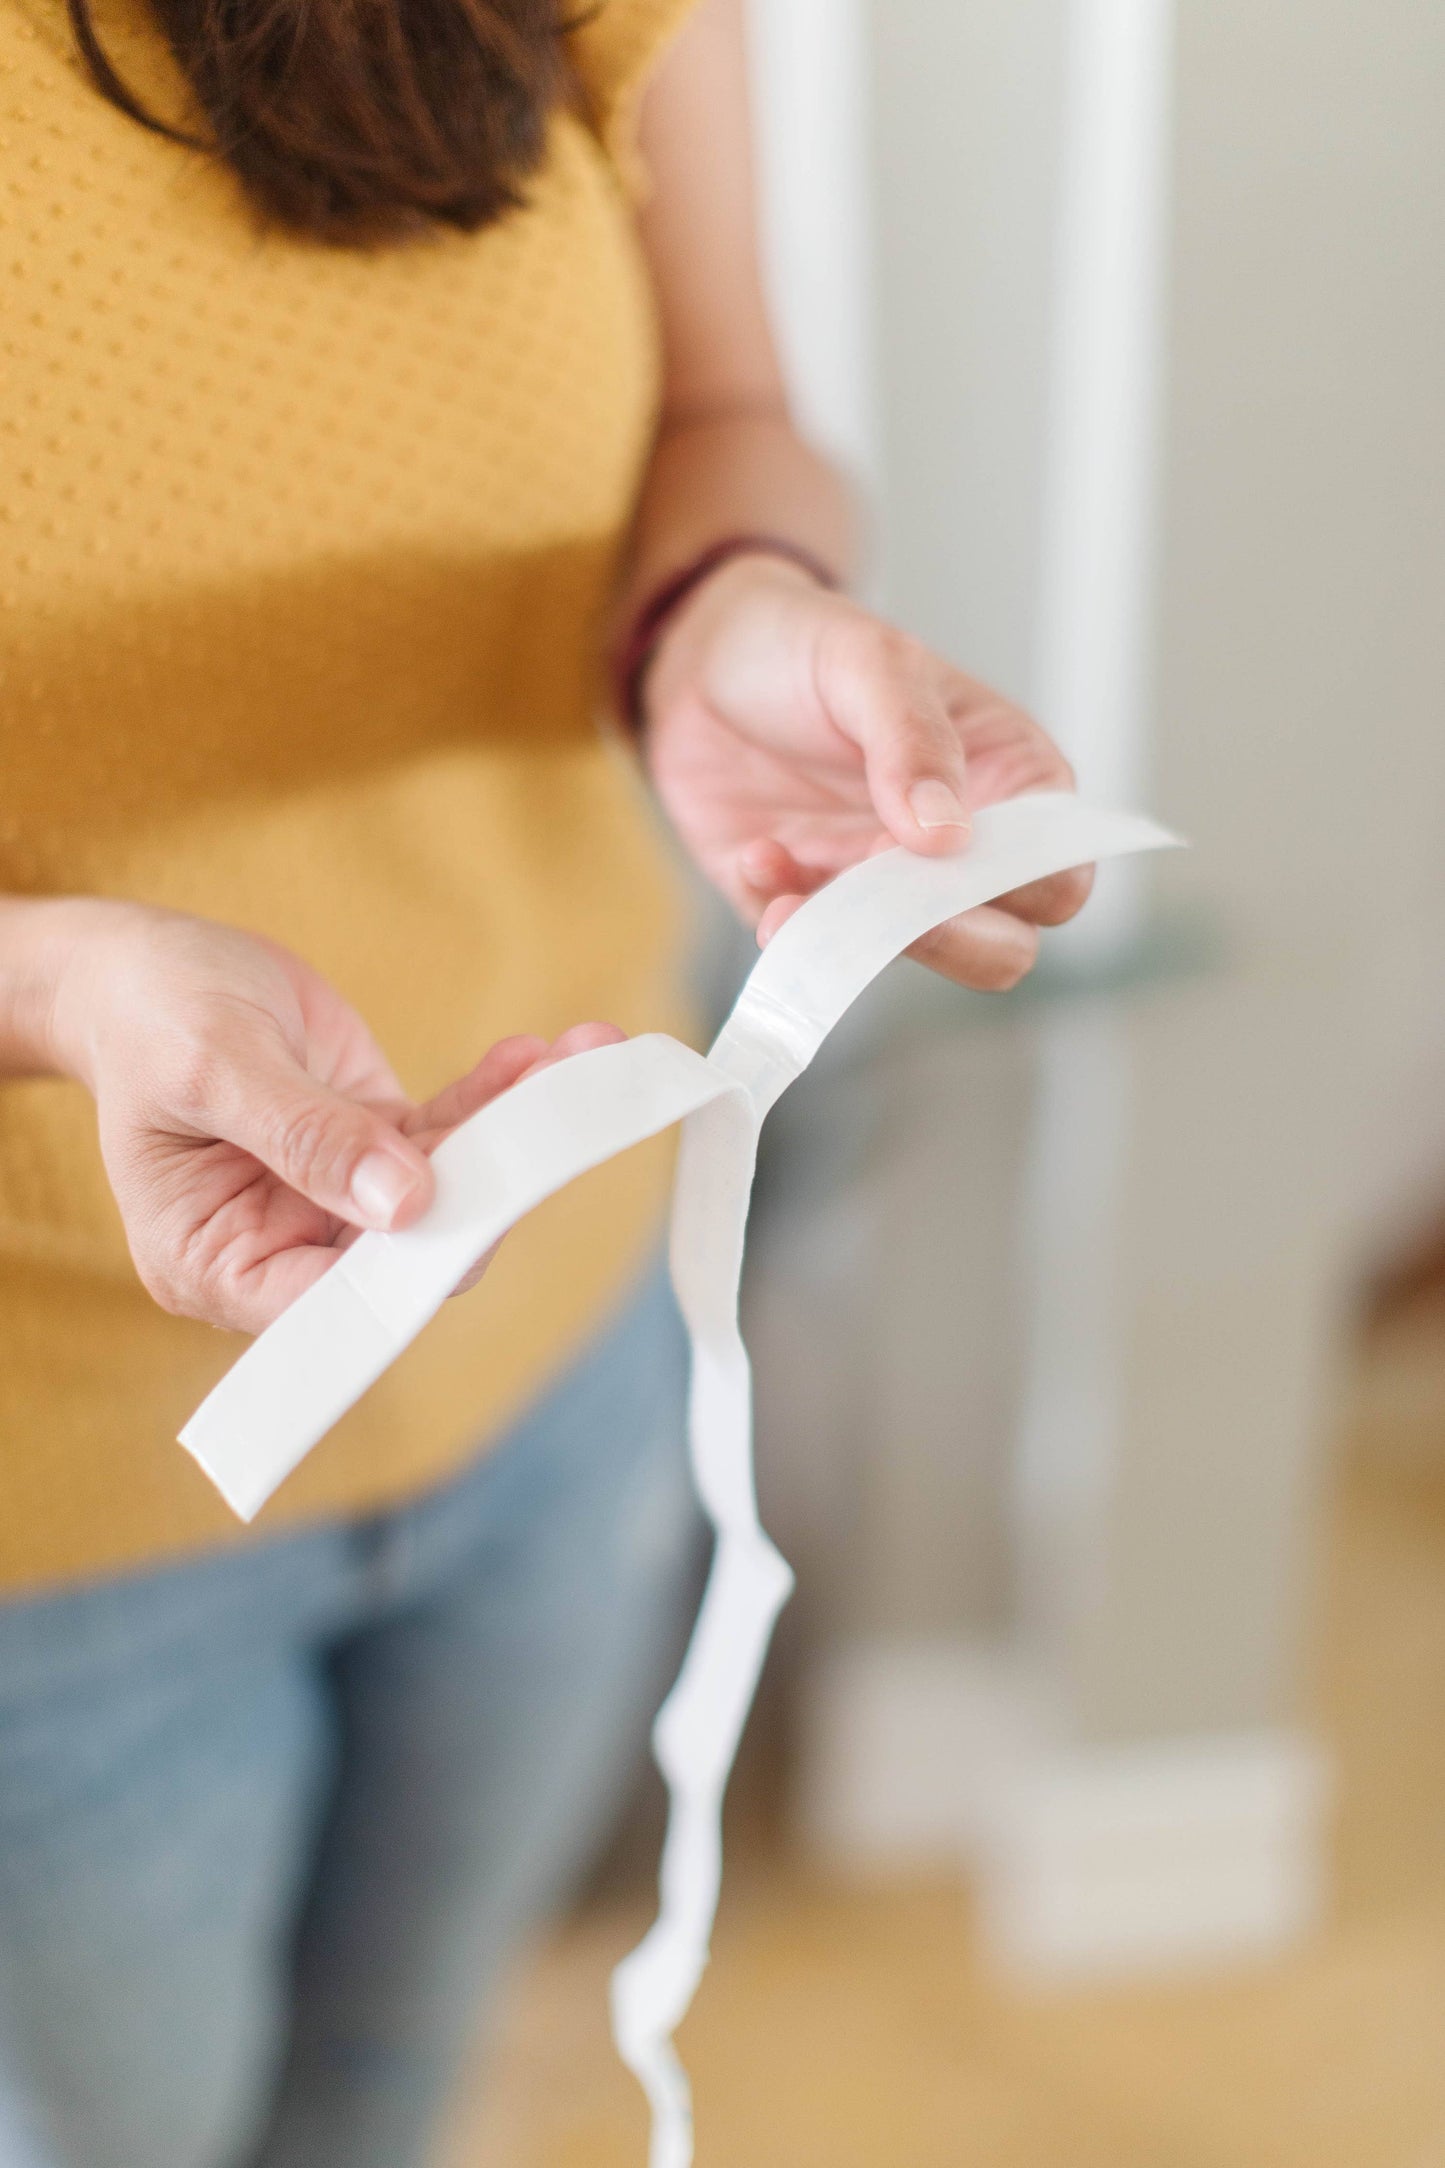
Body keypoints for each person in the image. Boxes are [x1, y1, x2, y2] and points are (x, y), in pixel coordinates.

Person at [0, 0, 1092, 2160]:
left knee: (399, 2077)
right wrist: (54, 985)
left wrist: (727, 620)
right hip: (56, 1514)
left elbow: (730, 409)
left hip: (564, 1347)